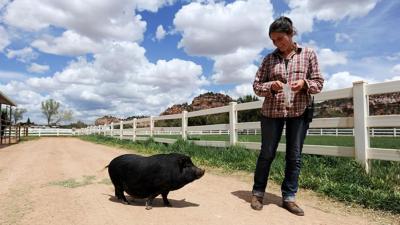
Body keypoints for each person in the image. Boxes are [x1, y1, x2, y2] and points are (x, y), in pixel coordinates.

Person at [250, 16, 324, 216]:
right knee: (266, 154)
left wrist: (305, 84)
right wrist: (270, 86)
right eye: (273, 40)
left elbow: (318, 82)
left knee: (294, 156)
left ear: (291, 34)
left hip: (298, 111)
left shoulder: (308, 54)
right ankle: (258, 193)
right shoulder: (269, 59)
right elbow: (257, 86)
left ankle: (289, 197)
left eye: (280, 39)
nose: (277, 44)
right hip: (271, 112)